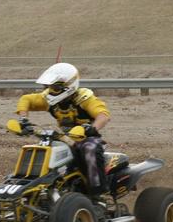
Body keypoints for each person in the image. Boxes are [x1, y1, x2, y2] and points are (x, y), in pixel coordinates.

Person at [16, 63, 111, 197]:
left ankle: (98, 192)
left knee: (89, 148)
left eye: (55, 87)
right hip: (64, 138)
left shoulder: (84, 98)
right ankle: (42, 189)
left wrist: (91, 128)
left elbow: (103, 115)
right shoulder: (49, 99)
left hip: (86, 137)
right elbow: (26, 100)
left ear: (68, 86)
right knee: (43, 149)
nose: (50, 90)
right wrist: (23, 119)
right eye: (49, 86)